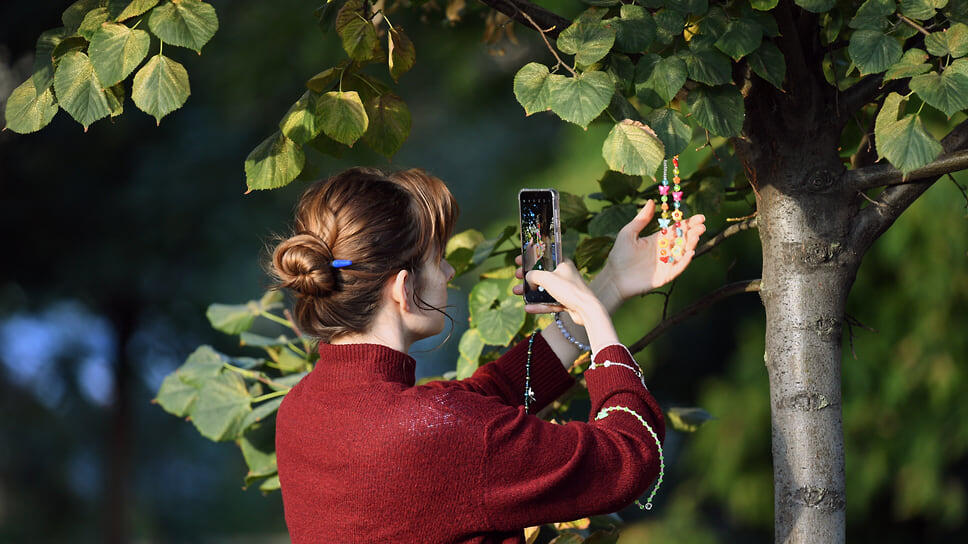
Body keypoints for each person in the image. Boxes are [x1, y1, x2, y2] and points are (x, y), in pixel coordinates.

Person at [270, 166, 707, 543]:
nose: (448, 271)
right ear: (404, 289)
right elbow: (630, 456)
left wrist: (610, 284)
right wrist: (593, 315)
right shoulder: (441, 433)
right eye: (437, 259)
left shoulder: (300, 412)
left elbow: (485, 399)